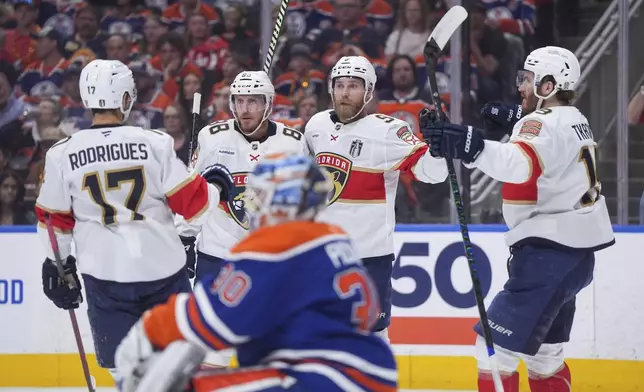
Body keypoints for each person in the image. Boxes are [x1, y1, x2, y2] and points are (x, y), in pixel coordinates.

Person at [115, 153, 398, 392]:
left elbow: (214, 321)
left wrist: (149, 329)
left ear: (283, 201)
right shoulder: (333, 238)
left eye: (261, 194)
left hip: (327, 377)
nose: (254, 204)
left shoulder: (281, 242)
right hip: (364, 372)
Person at [421, 46, 615, 391]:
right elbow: (552, 143)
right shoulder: (574, 118)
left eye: (527, 80)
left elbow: (519, 163)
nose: (520, 87)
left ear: (548, 86)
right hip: (574, 256)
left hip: (547, 256)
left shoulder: (541, 122)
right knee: (544, 359)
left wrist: (471, 145)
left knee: (493, 352)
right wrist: (517, 120)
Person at [34, 59, 235, 381]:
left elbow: (53, 222)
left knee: (122, 372)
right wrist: (216, 187)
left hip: (105, 274)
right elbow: (194, 206)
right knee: (176, 369)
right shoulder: (154, 142)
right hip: (163, 271)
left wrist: (57, 264)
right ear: (126, 98)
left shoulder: (62, 153)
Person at [305, 55, 448, 342]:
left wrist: (437, 146)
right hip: (322, 254)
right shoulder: (316, 126)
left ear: (369, 91)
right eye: (340, 85)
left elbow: (435, 174)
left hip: (369, 256)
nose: (345, 92)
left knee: (372, 337)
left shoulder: (388, 131)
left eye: (354, 85)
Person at [175, 70, 309, 367]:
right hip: (218, 256)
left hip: (270, 262)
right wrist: (185, 237)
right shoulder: (211, 138)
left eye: (253, 102)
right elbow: (194, 193)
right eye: (239, 101)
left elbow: (303, 205)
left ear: (269, 105)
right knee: (210, 350)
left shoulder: (293, 144)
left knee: (269, 351)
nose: (245, 109)